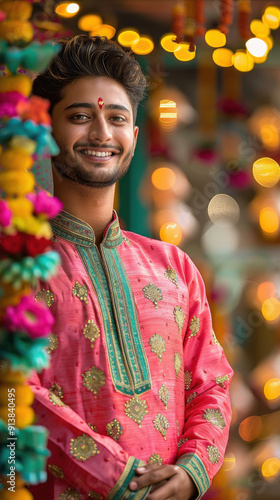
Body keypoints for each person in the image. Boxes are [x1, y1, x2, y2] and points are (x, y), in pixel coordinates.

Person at [28, 34, 233, 500]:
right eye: (80, 116)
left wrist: (192, 471)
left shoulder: (174, 267)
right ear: (47, 132)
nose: (101, 133)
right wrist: (118, 478)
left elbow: (212, 383)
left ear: (134, 138)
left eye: (116, 118)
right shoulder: (17, 265)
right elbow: (13, 397)